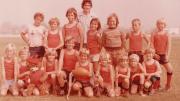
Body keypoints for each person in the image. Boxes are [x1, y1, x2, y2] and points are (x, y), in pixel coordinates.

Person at [150, 18, 173, 91]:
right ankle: (157, 85)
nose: (161, 25)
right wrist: (154, 54)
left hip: (163, 55)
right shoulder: (154, 33)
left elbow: (169, 46)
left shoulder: (167, 34)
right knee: (156, 71)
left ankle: (168, 85)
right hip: (155, 55)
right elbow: (152, 44)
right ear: (157, 25)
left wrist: (167, 55)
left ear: (165, 25)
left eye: (162, 24)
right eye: (159, 23)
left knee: (170, 69)